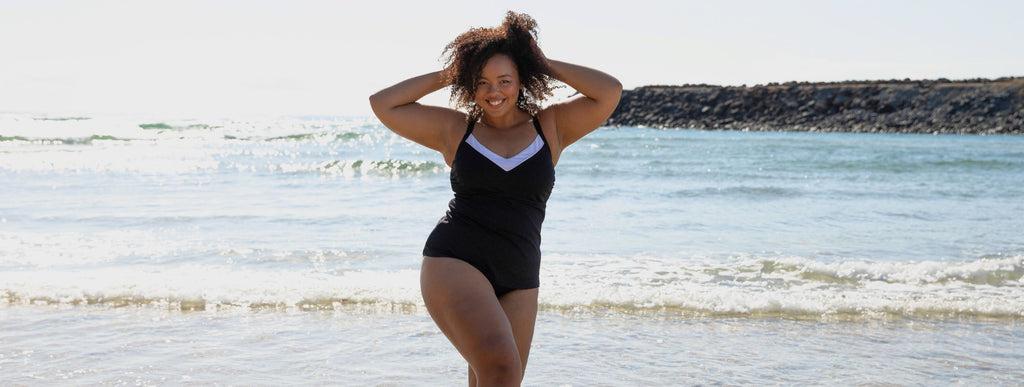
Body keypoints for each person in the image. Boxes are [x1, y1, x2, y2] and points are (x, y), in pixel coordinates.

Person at [369, 11, 621, 386]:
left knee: (499, 379)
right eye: (482, 82)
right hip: (456, 259)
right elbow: (383, 103)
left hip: (520, 274)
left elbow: (609, 91)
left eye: (505, 80)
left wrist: (543, 62)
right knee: (500, 370)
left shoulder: (550, 126)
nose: (494, 91)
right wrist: (453, 71)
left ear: (522, 81)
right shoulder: (456, 129)